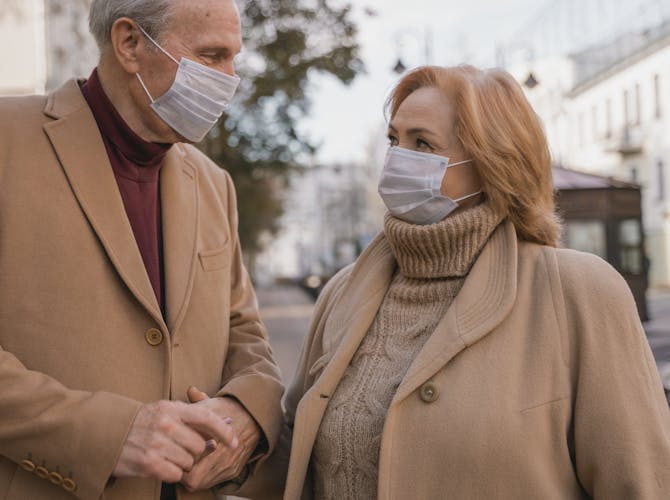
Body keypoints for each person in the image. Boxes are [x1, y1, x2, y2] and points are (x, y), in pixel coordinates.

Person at [0, 1, 283, 499]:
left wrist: (249, 412)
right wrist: (106, 435)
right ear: (130, 43)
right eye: (212, 55)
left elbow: (245, 333)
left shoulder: (214, 184)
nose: (230, 78)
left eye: (233, 57)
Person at [270, 65, 670, 499]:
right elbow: (297, 454)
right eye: (393, 140)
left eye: (422, 143)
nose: (397, 159)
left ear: (490, 163)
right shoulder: (342, 292)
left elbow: (640, 481)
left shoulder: (578, 290)